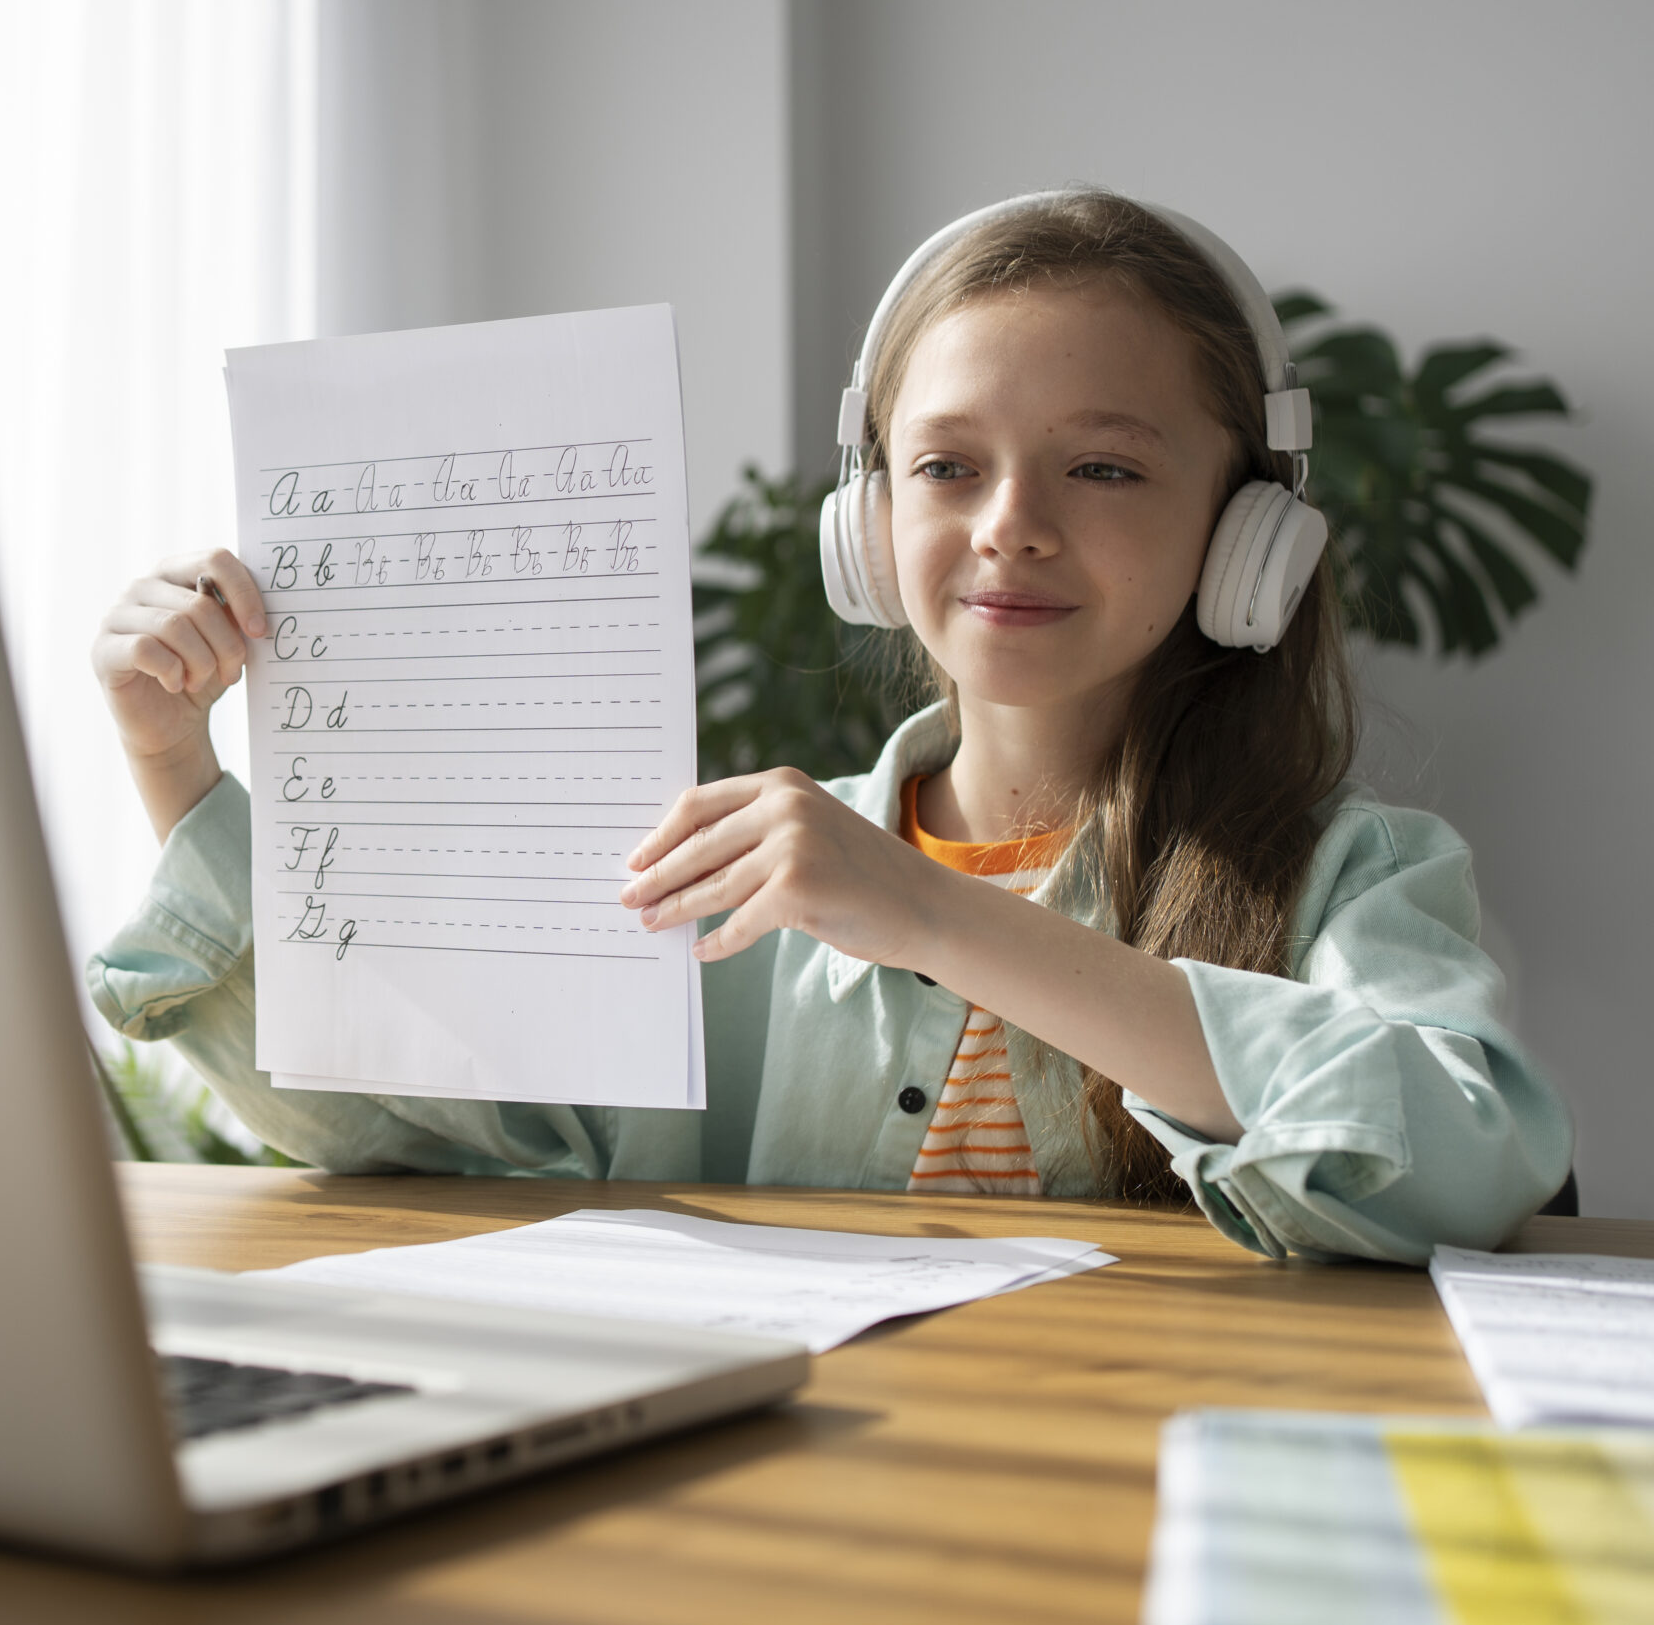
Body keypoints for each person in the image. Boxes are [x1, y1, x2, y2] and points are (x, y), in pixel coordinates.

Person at [82, 189, 1572, 1263]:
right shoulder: (741, 881)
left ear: (1251, 532)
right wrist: (176, 769)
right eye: (945, 467)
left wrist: (933, 913)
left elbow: (1467, 1158)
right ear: (868, 521)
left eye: (1105, 470)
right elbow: (416, 1126)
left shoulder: (1357, 871)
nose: (1012, 529)